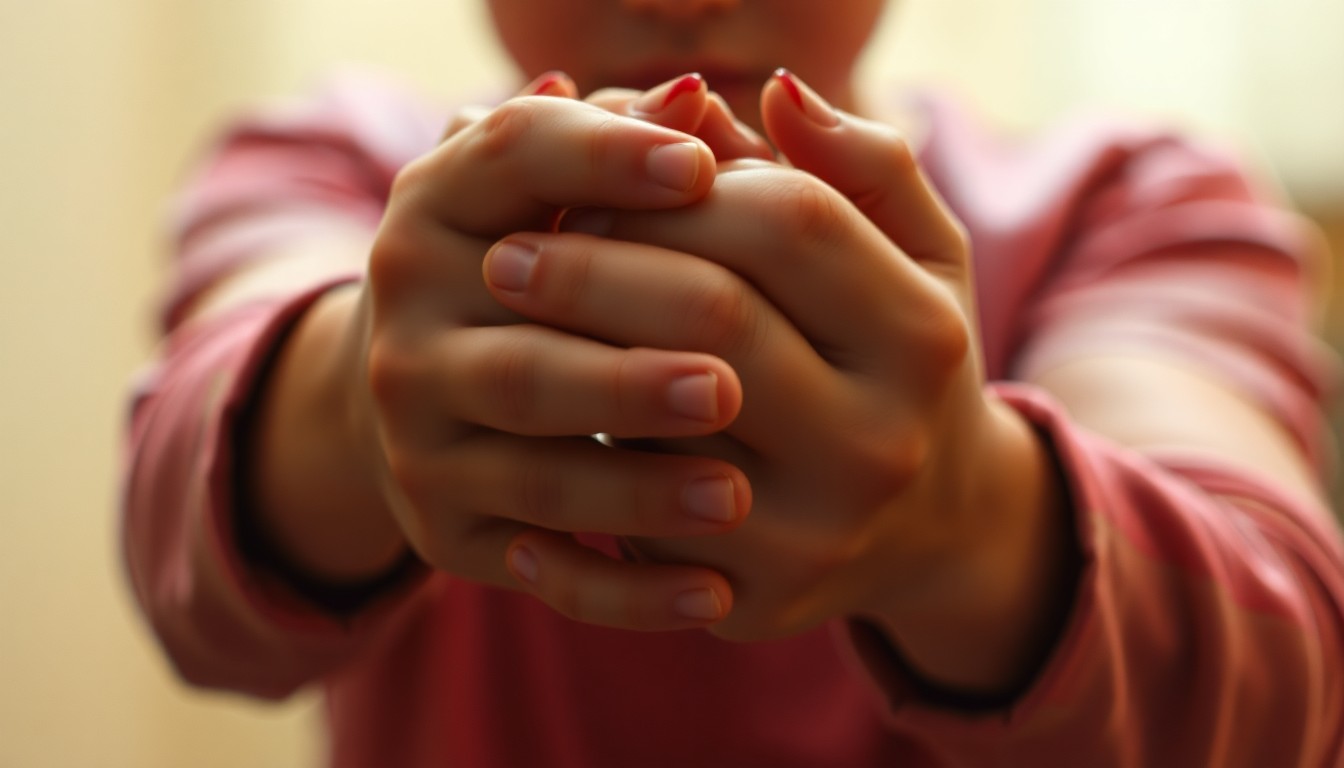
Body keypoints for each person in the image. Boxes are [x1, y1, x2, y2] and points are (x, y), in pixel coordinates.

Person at [122, 0, 1344, 765]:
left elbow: (1283, 691)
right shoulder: (336, 172)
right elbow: (186, 554)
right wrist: (350, 395)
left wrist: (968, 518)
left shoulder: (1134, 207)